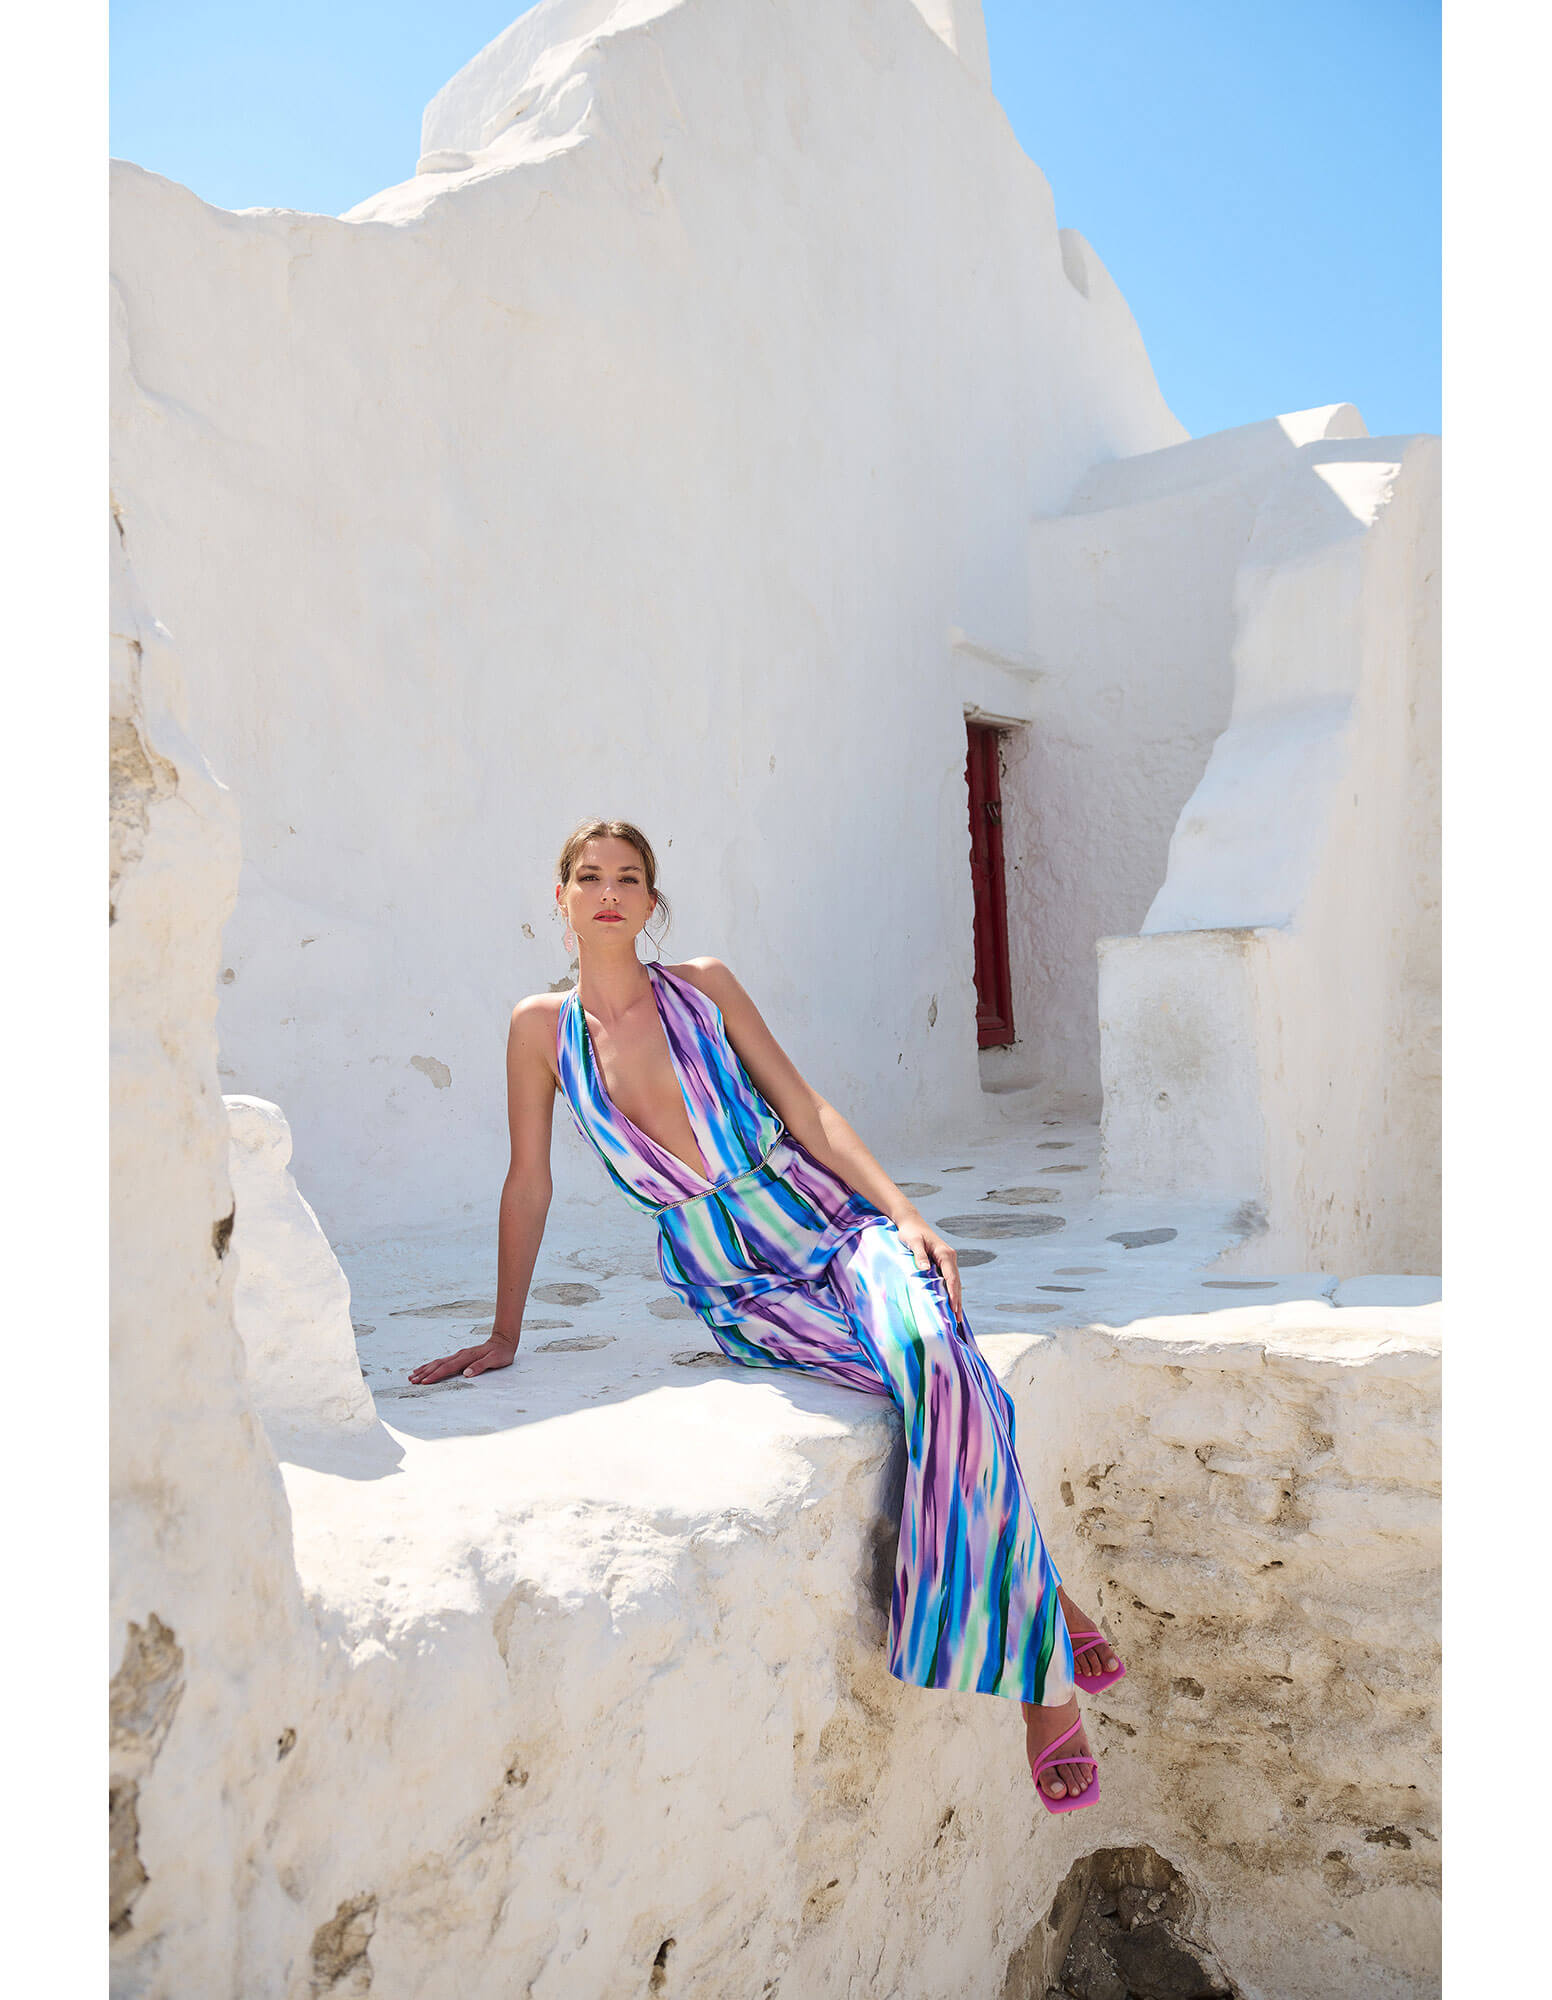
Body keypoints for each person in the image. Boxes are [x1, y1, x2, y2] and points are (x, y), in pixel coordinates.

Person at [409, 817, 1124, 1808]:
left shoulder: (703, 985)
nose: (609, 892)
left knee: (935, 1353)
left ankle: (1043, 1690)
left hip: (831, 1221)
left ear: (651, 901)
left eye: (629, 877)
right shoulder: (540, 1030)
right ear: (560, 896)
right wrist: (504, 1331)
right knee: (941, 1383)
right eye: (590, 876)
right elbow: (527, 1181)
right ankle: (1045, 1603)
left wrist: (907, 1216)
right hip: (735, 1278)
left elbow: (807, 1109)